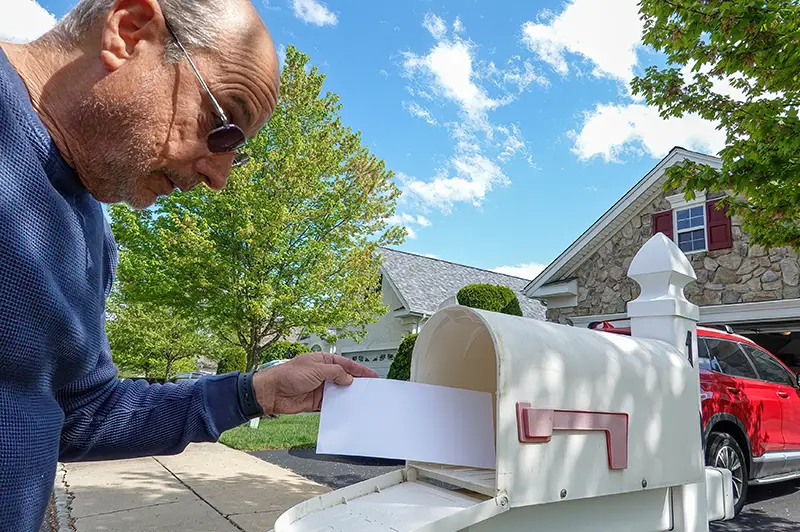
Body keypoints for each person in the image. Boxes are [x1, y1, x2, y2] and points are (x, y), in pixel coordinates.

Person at [0, 0, 377, 530]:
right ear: (129, 31)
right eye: (222, 127)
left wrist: (256, 392)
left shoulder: (92, 236)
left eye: (237, 153)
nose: (220, 176)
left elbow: (80, 415)